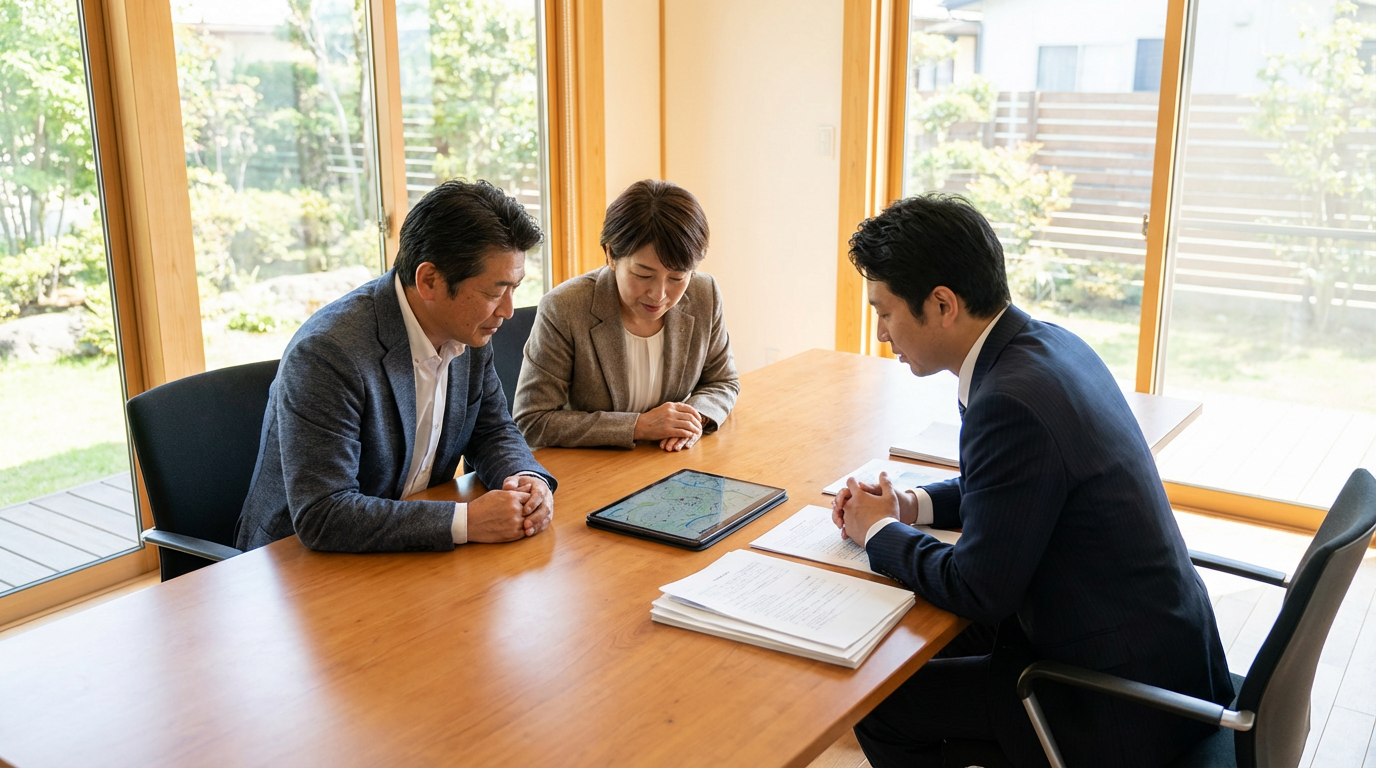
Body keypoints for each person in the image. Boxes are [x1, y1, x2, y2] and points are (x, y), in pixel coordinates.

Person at [831, 193, 1233, 767]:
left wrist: (875, 534)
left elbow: (979, 590)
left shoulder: (1009, 400)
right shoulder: (1045, 346)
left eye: (886, 311)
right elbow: (1009, 493)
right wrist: (907, 506)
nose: (880, 333)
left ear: (942, 304)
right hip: (1161, 657)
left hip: (1113, 702)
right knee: (907, 653)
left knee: (880, 705)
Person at [235, 180, 557, 553]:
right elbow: (323, 513)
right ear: (429, 281)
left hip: (406, 549)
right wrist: (466, 521)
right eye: (493, 292)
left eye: (514, 288)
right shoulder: (329, 353)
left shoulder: (469, 330)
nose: (507, 310)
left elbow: (491, 430)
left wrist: (525, 478)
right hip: (298, 566)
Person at [512, 179, 738, 451]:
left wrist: (691, 419)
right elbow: (533, 421)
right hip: (589, 468)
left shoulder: (705, 293)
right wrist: (638, 426)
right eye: (643, 274)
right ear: (611, 255)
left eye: (677, 277)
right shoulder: (565, 307)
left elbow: (722, 380)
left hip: (665, 461)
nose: (659, 294)